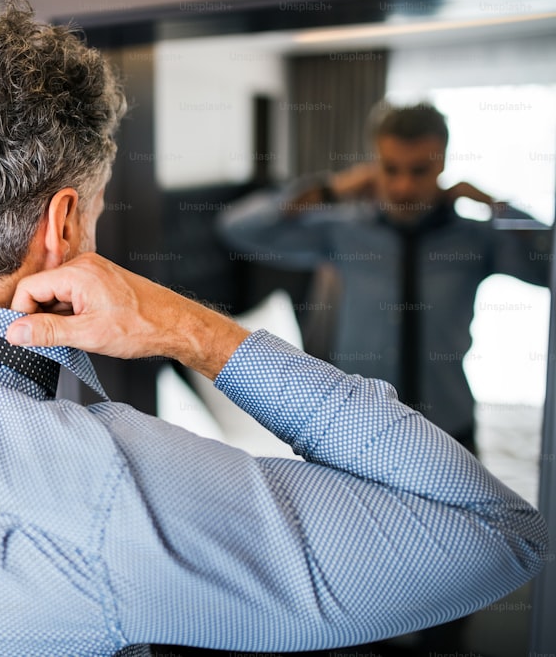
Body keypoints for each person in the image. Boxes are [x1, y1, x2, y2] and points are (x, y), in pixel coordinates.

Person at [0, 2, 547, 656]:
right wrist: (187, 330)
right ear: (63, 225)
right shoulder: (108, 488)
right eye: (93, 208)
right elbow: (492, 532)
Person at [217, 102, 551, 457]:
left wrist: (497, 207)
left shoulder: (477, 239)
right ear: (375, 163)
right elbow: (238, 229)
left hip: (450, 431)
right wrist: (330, 189)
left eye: (419, 170)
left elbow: (548, 268)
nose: (403, 187)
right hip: (359, 431)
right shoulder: (344, 231)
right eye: (391, 169)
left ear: (442, 164)